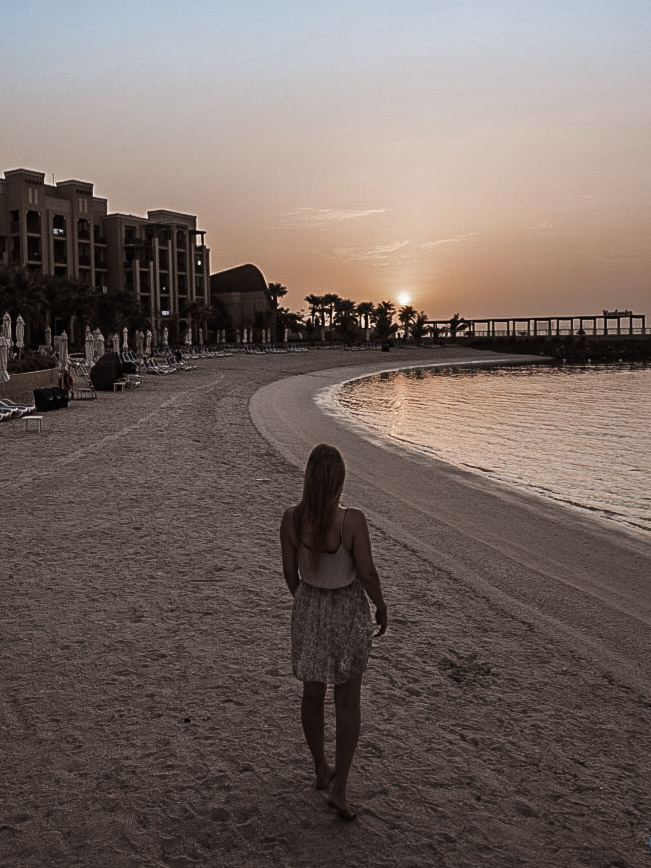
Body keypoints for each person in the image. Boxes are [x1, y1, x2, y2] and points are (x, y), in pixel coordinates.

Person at [280, 443, 388, 820]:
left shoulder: (292, 519)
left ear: (308, 479)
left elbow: (290, 575)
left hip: (309, 606)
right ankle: (339, 789)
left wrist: (310, 603)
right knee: (347, 700)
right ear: (340, 480)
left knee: (312, 695)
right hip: (345, 608)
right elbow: (368, 573)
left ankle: (321, 770)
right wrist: (381, 606)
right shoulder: (351, 521)